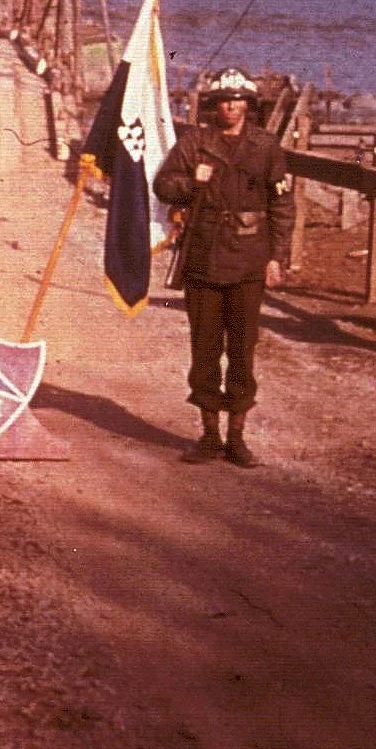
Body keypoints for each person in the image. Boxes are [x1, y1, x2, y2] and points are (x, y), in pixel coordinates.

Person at [152, 68, 294, 467]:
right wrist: (192, 183)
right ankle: (209, 435)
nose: (231, 106)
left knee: (243, 350)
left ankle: (237, 437)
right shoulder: (195, 143)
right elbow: (163, 185)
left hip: (250, 259)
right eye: (224, 100)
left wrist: (276, 257)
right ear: (214, 105)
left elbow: (282, 205)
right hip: (204, 256)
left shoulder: (265, 147)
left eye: (239, 100)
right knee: (205, 349)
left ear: (249, 105)